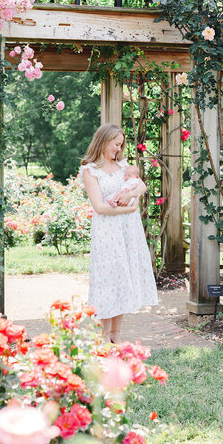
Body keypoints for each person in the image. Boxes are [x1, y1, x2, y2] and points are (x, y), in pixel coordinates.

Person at [80, 123, 158, 343]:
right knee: (107, 280)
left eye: (120, 145)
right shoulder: (90, 171)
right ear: (104, 141)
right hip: (106, 231)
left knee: (122, 277)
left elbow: (141, 187)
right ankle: (102, 336)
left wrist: (131, 193)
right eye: (115, 144)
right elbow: (100, 207)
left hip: (127, 231)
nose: (118, 149)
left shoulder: (124, 167)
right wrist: (130, 207)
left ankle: (116, 334)